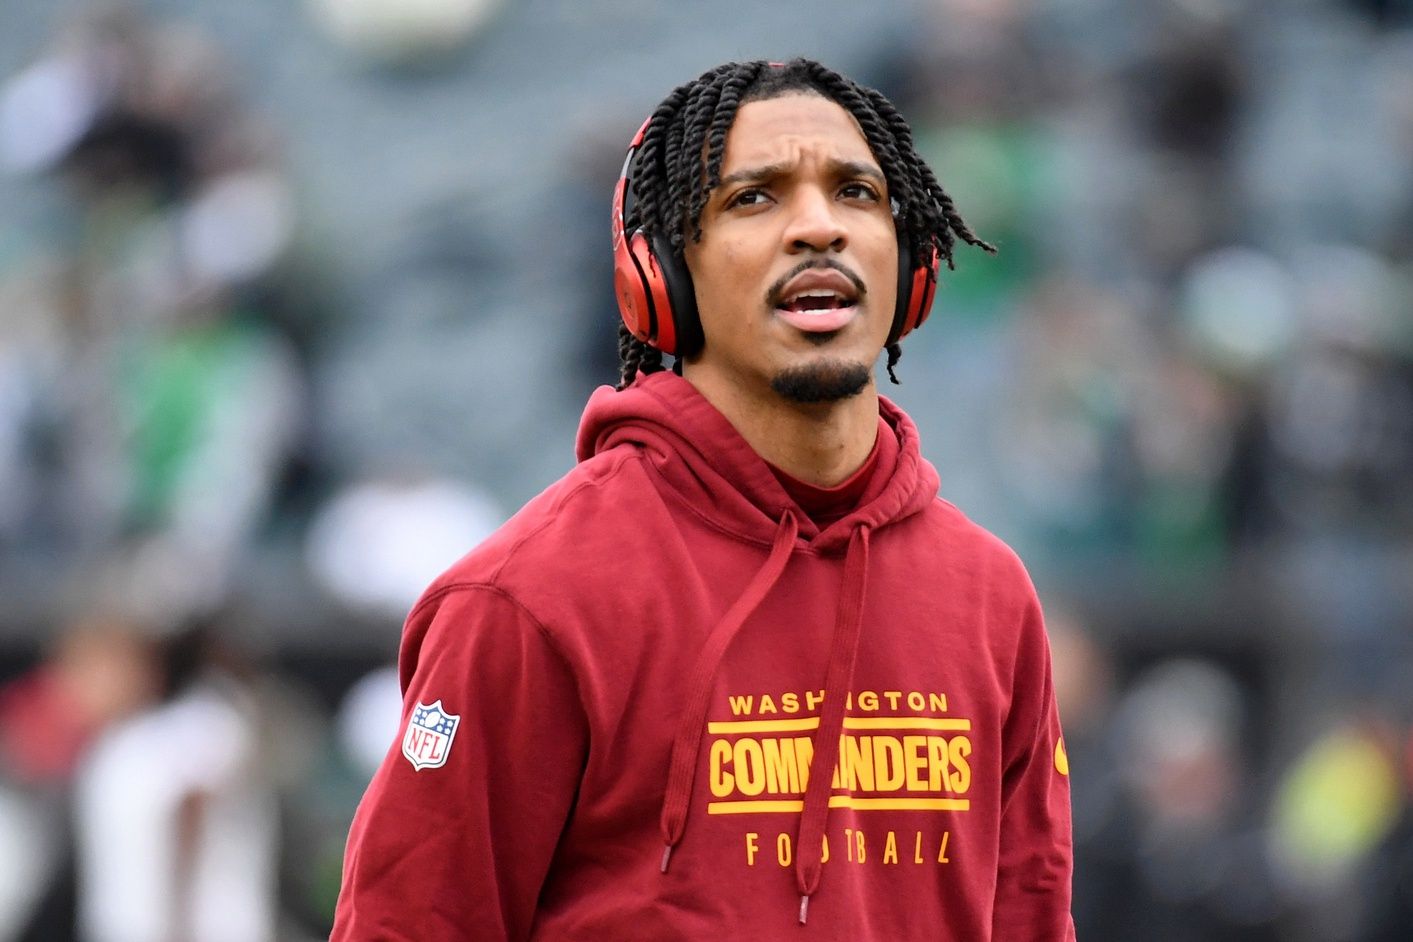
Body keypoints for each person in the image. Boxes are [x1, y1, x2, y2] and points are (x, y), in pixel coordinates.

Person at [332, 57, 1074, 940]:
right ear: (659, 274)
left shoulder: (989, 599)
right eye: (753, 197)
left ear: (911, 264)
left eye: (855, 194)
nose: (817, 228)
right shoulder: (526, 603)